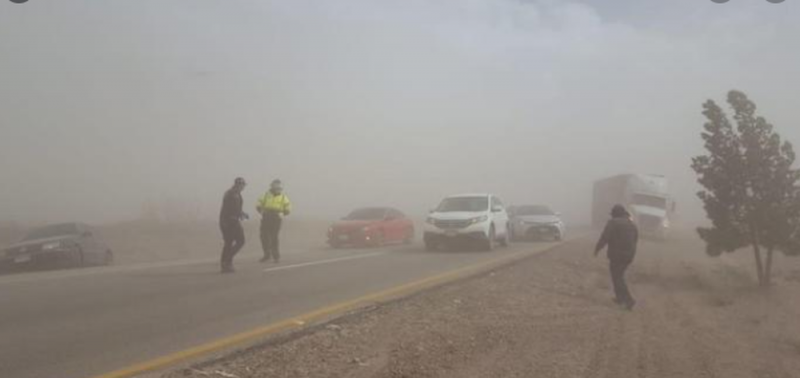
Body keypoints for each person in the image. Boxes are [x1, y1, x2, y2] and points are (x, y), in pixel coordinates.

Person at [594, 204, 639, 310]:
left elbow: (604, 237)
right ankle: (620, 298)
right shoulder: (632, 225)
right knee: (618, 275)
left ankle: (629, 300)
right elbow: (635, 240)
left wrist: (597, 249)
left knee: (617, 277)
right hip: (628, 256)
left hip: (616, 255)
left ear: (615, 214)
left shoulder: (613, 223)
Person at [256, 179, 292, 263]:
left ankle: (276, 256)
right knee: (264, 236)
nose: (277, 189)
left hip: (276, 218)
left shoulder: (283, 197)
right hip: (266, 217)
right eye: (276, 187)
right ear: (272, 187)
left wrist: (284, 213)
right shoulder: (265, 195)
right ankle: (267, 255)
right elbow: (259, 204)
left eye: (279, 187)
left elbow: (288, 207)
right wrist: (260, 210)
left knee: (274, 237)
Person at [220, 177, 249, 273]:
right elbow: (228, 209)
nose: (243, 187)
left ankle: (226, 262)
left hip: (234, 221)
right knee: (230, 242)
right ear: (238, 185)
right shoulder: (230, 194)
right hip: (228, 222)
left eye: (243, 185)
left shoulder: (237, 194)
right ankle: (226, 263)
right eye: (242, 185)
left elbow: (237, 208)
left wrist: (242, 214)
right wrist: (226, 222)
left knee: (239, 241)